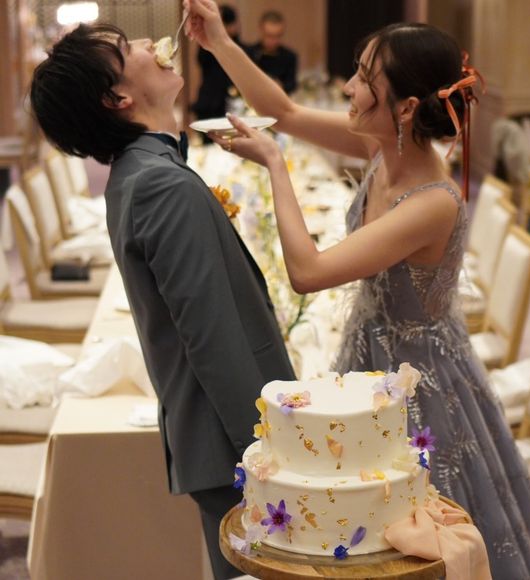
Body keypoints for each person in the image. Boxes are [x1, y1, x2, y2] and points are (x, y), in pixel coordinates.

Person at [184, 2, 530, 578]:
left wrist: (277, 167)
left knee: (406, 540)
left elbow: (309, 272)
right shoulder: (383, 147)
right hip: (368, 358)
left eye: (364, 78)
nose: (348, 87)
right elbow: (282, 111)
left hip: (417, 383)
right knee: (355, 524)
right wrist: (218, 43)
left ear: (406, 107)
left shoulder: (433, 201)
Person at [29, 23, 295, 580]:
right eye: (129, 49)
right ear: (117, 98)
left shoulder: (141, 171)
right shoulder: (160, 184)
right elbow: (213, 340)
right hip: (236, 447)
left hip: (218, 441)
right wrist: (272, 456)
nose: (152, 45)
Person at [192, 4, 245, 144]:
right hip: (208, 103)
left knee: (233, 145)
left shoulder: (241, 48)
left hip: (231, 105)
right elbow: (201, 61)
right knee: (207, 146)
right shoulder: (207, 45)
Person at [246, 10, 298, 94]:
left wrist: (280, 86)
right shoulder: (249, 53)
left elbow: (292, 85)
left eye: (278, 36)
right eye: (269, 35)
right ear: (261, 31)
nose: (273, 41)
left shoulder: (290, 56)